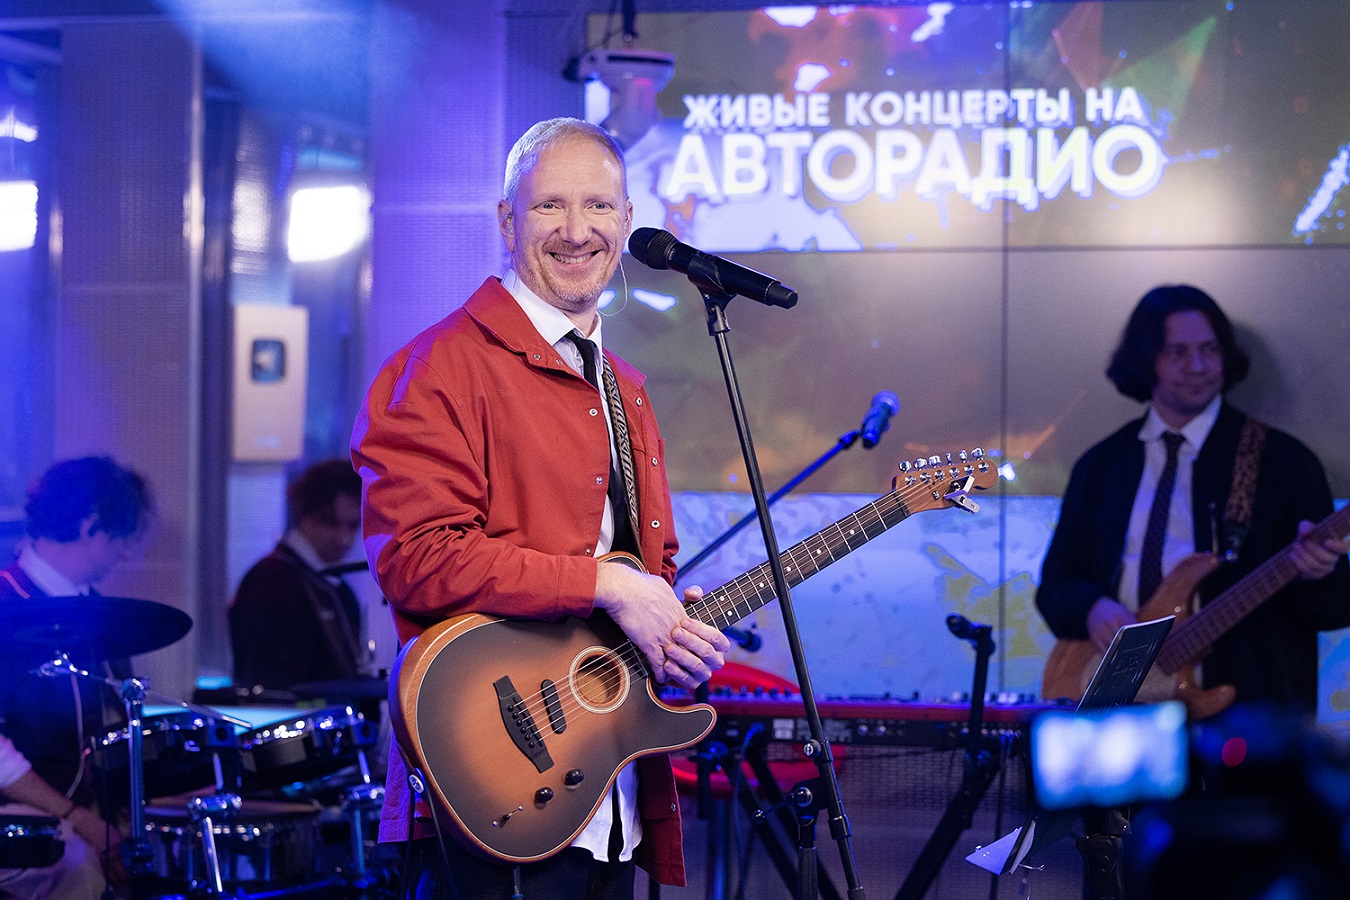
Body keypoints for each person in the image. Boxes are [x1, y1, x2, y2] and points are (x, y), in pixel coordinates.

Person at [351, 117, 729, 898]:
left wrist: (667, 635)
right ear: (506, 221)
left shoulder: (625, 388)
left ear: (628, 221)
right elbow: (414, 558)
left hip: (610, 801)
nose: (577, 231)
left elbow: (642, 574)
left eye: (599, 206)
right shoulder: (438, 367)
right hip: (488, 800)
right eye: (550, 205)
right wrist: (607, 585)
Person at [1037, 284, 1350, 714]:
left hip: (1248, 721)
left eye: (1210, 349)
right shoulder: (1101, 466)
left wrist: (1319, 574)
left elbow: (1335, 610)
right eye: (1176, 352)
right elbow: (1056, 584)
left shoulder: (1284, 462)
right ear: (1145, 359)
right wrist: (1092, 608)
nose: (1197, 366)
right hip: (1120, 716)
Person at [0, 456, 153, 898]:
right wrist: (82, 820)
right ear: (90, 525)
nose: (127, 553)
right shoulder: (7, 603)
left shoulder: (95, 611)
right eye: (122, 536)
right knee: (82, 874)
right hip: (20, 832)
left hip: (74, 822)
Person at [229, 458, 366, 692]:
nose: (344, 539)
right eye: (330, 523)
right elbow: (266, 683)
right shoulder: (270, 580)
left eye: (353, 526)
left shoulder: (336, 587)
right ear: (304, 516)